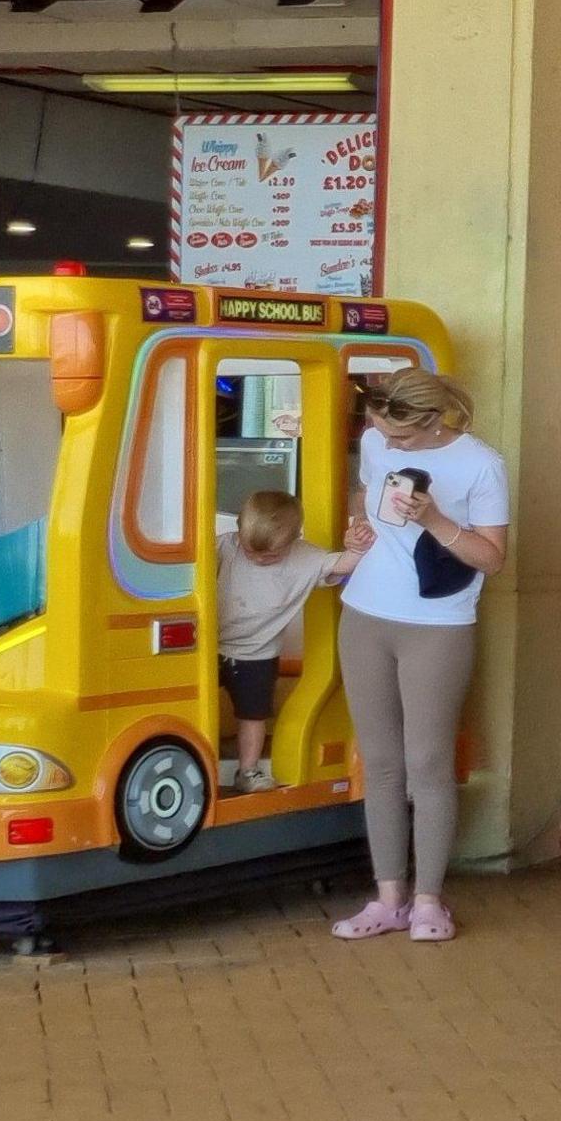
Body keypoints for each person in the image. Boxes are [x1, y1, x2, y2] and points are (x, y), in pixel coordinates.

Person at [330, 369, 511, 944]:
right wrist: (358, 525)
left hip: (438, 622)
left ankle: (429, 899)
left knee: (428, 762)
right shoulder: (376, 439)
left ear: (434, 420)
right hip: (365, 612)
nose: (389, 442)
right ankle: (388, 897)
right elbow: (364, 492)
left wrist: (433, 518)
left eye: (401, 437)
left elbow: (492, 558)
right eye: (382, 429)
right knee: (380, 762)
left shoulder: (482, 465)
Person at [216, 488, 360, 792]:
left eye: (270, 556)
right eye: (250, 550)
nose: (257, 558)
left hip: (258, 653)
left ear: (294, 541)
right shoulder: (224, 548)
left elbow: (342, 565)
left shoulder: (305, 558)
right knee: (201, 703)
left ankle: (248, 771)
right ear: (238, 528)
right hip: (209, 647)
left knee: (252, 715)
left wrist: (359, 548)